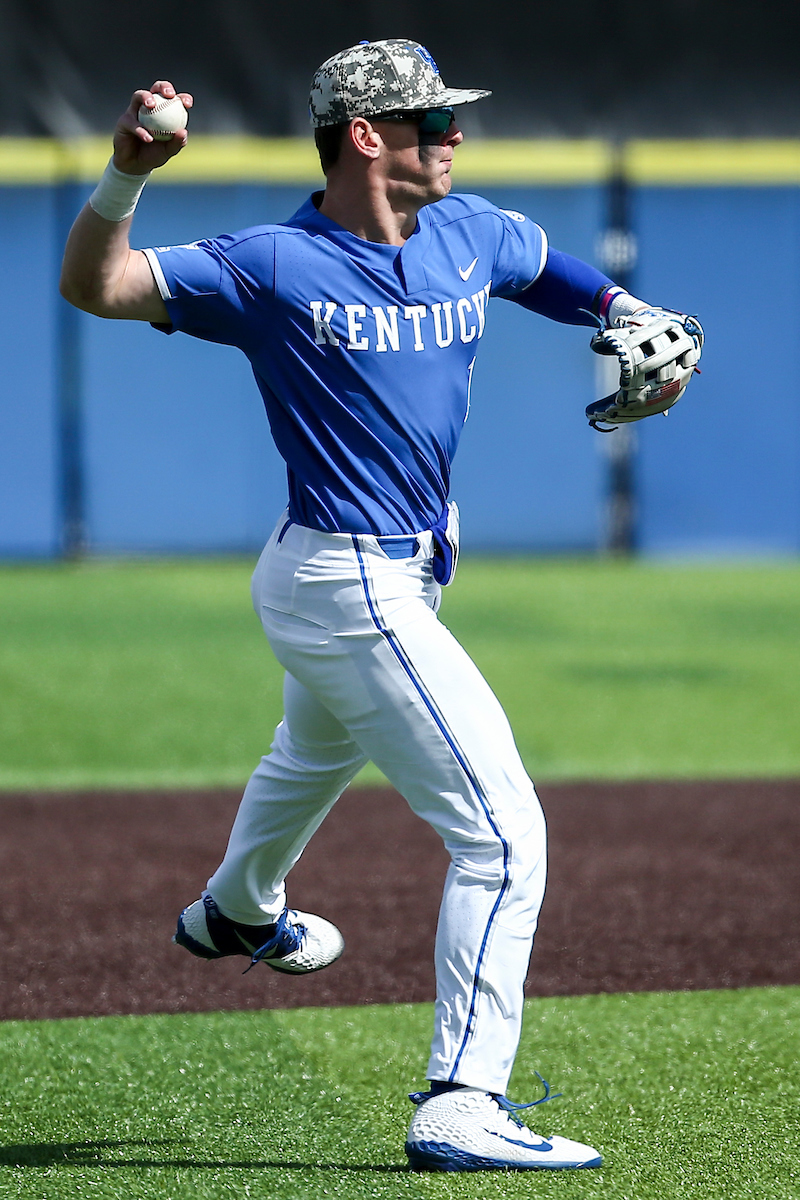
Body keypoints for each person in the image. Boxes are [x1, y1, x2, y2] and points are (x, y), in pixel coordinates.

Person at [60, 38, 677, 1173]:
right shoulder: (271, 263)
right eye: (429, 120)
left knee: (307, 759)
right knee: (501, 837)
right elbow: (96, 288)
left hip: (377, 572)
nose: (452, 135)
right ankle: (458, 1100)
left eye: (450, 118)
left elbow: (555, 276)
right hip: (345, 578)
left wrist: (630, 310)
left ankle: (237, 911)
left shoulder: (467, 230)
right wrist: (129, 173)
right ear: (363, 134)